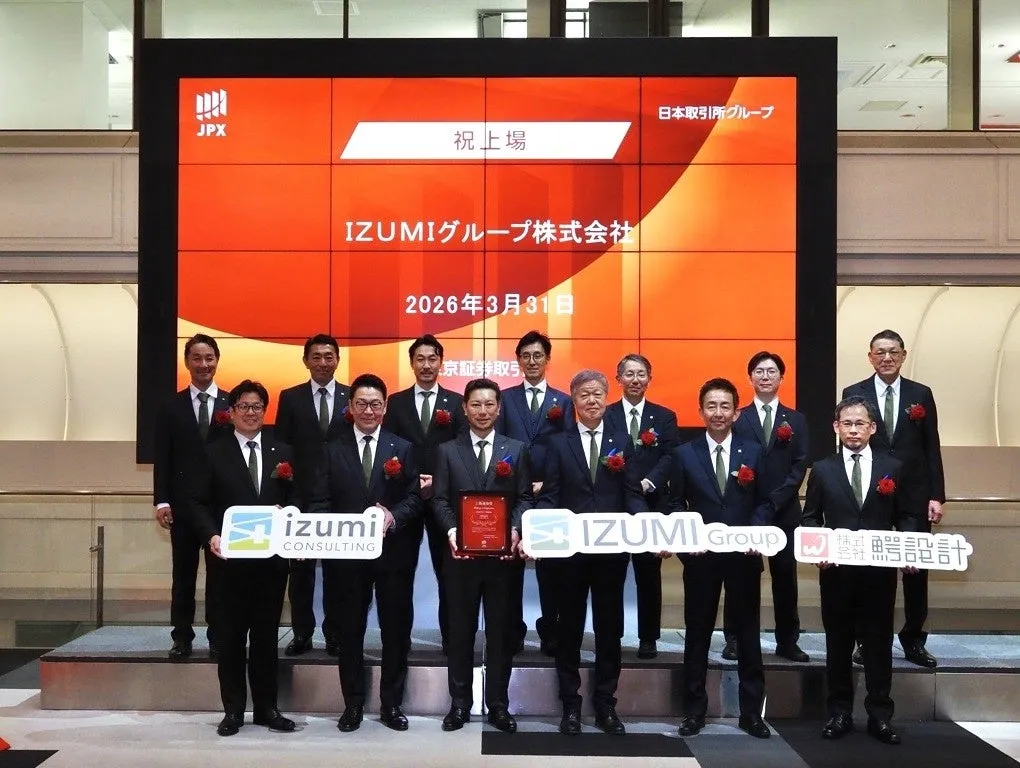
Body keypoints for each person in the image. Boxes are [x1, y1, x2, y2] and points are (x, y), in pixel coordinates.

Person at [309, 373, 423, 733]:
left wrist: (393, 516)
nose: (369, 410)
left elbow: (415, 498)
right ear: (350, 407)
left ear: (385, 407)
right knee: (350, 632)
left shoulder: (402, 448)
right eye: (361, 403)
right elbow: (320, 501)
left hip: (393, 557)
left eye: (375, 404)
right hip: (346, 561)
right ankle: (353, 705)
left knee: (395, 632)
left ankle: (392, 705)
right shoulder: (332, 450)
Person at [536, 369, 647, 736]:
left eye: (598, 393)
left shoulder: (621, 441)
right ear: (574, 400)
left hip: (611, 554)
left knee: (609, 629)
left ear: (606, 397)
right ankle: (570, 704)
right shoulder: (558, 443)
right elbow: (550, 496)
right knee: (568, 630)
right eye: (584, 394)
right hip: (569, 555)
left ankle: (605, 704)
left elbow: (632, 493)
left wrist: (646, 526)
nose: (592, 400)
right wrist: (537, 532)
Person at [802, 395, 915, 746]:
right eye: (847, 424)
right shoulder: (822, 469)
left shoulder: (892, 467)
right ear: (836, 427)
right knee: (837, 644)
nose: (853, 430)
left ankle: (880, 716)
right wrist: (819, 550)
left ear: (872, 428)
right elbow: (810, 518)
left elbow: (907, 516)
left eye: (860, 424)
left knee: (879, 644)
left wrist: (909, 548)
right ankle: (839, 713)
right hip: (837, 574)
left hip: (879, 574)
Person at [190, 380, 298, 737]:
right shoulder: (213, 453)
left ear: (265, 411)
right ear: (231, 412)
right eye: (244, 407)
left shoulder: (283, 451)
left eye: (257, 407)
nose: (251, 413)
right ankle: (234, 711)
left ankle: (267, 709)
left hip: (270, 564)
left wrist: (289, 514)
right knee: (231, 639)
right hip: (229, 564)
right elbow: (196, 502)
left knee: (266, 639)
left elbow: (299, 497)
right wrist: (211, 535)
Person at [668, 378, 771, 740]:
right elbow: (675, 504)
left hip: (743, 557)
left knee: (748, 635)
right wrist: (687, 541)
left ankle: (751, 713)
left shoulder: (754, 452)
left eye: (725, 406)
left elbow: (765, 501)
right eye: (711, 406)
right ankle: (694, 711)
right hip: (701, 559)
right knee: (697, 634)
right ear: (700, 411)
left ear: (736, 412)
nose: (718, 413)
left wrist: (755, 534)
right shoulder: (684, 453)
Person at [432, 378, 534, 734]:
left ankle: (499, 705)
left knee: (501, 635)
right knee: (460, 633)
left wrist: (516, 530)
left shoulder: (516, 449)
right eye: (476, 404)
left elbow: (525, 497)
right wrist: (452, 532)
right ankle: (459, 704)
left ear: (499, 408)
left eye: (489, 404)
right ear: (464, 408)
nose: (483, 411)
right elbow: (439, 499)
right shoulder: (447, 450)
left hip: (503, 561)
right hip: (460, 560)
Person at [842, 329, 945, 668]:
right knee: (867, 570)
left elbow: (931, 446)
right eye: (880, 352)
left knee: (915, 570)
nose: (887, 358)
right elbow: (848, 445)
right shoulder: (853, 392)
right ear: (870, 356)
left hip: (914, 494)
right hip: (869, 493)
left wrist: (936, 495)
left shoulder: (921, 394)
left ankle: (913, 639)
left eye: (893, 352)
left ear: (903, 355)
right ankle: (865, 640)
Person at [382, 334, 467, 654]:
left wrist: (438, 482)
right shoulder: (396, 402)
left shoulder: (456, 402)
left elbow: (461, 451)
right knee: (399, 575)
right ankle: (399, 640)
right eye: (420, 359)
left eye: (432, 359)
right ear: (411, 363)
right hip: (405, 499)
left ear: (441, 362)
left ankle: (451, 640)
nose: (427, 365)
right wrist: (410, 481)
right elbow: (388, 448)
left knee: (450, 575)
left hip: (443, 501)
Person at [724, 351, 810, 663]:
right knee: (741, 577)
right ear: (750, 378)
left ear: (781, 378)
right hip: (746, 511)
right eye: (759, 371)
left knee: (785, 577)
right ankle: (735, 638)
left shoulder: (796, 420)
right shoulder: (739, 417)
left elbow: (799, 466)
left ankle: (787, 640)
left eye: (771, 371)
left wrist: (775, 501)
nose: (765, 376)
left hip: (784, 511)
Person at [153, 333, 232, 661]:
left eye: (209, 358)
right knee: (183, 575)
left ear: (217, 361)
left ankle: (218, 636)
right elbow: (163, 456)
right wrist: (162, 500)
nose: (203, 364)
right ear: (187, 362)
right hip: (183, 506)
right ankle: (182, 636)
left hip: (220, 507)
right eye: (197, 358)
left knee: (220, 578)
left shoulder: (232, 403)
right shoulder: (170, 406)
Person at [495, 330, 573, 657]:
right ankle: (512, 632)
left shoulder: (563, 401)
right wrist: (520, 482)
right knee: (510, 567)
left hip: (551, 496)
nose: (531, 361)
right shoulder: (505, 398)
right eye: (525, 356)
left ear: (547, 359)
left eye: (537, 355)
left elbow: (568, 448)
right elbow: (499, 445)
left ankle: (551, 631)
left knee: (551, 570)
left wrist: (548, 483)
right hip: (513, 494)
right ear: (518, 360)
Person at [274, 334, 350, 657]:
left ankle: (335, 634)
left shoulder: (352, 396)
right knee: (301, 573)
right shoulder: (290, 397)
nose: (323, 362)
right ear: (305, 360)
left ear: (337, 360)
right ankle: (302, 633)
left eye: (329, 356)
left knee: (337, 572)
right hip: (301, 499)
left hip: (340, 499)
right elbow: (280, 447)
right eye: (316, 356)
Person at [603, 353, 678, 660]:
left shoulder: (664, 416)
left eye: (641, 374)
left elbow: (671, 456)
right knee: (613, 574)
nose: (635, 380)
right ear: (618, 379)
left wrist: (649, 482)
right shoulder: (606, 415)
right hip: (615, 506)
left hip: (652, 503)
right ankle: (613, 634)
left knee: (649, 574)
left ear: (649, 378)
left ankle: (648, 637)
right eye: (629, 374)